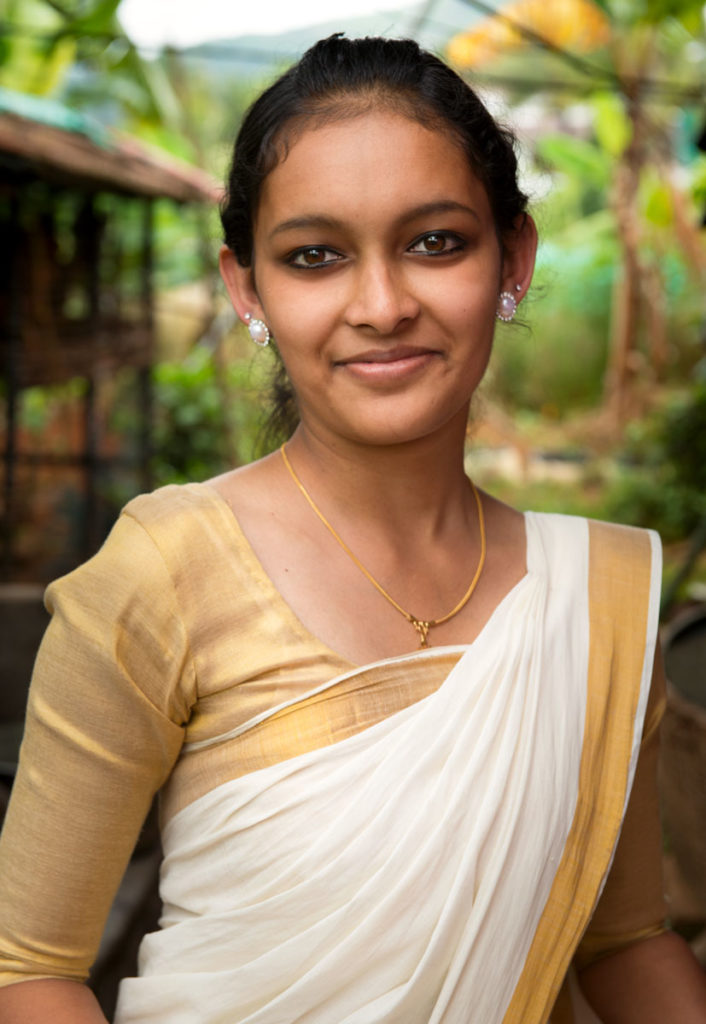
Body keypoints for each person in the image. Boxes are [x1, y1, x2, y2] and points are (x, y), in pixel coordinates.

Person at [0, 33, 705, 1024]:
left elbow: (627, 941)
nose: (380, 305)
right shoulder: (161, 574)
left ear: (515, 258)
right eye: (315, 256)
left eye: (434, 242)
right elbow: (27, 972)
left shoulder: (595, 600)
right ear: (248, 288)